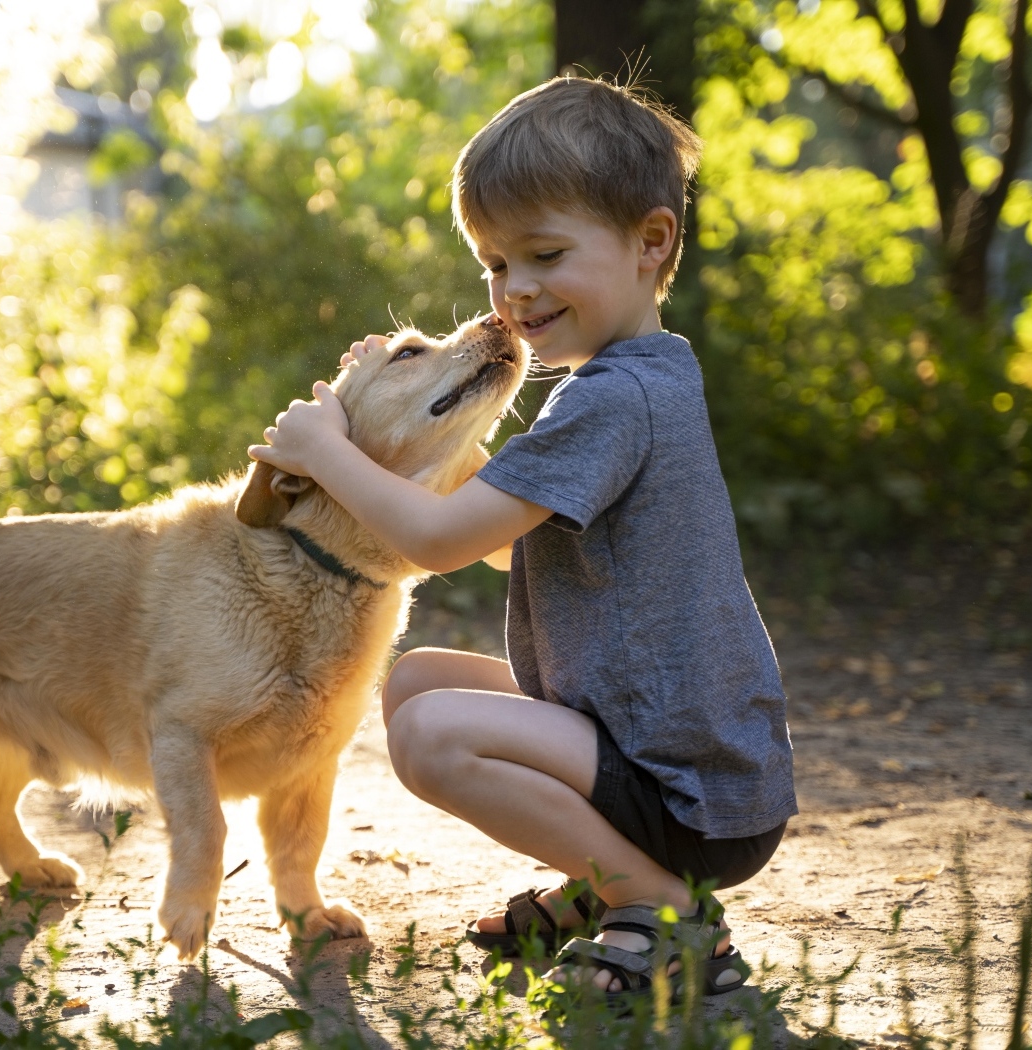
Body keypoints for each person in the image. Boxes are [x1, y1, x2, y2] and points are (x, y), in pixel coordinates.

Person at [247, 75, 796, 1006]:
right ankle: (607, 884)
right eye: (496, 265)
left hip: (689, 793)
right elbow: (513, 542)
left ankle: (659, 904)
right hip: (668, 747)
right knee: (419, 675)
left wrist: (330, 452)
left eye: (544, 254)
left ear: (650, 241)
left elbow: (441, 544)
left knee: (428, 734)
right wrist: (408, 415)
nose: (516, 291)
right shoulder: (636, 379)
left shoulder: (614, 399)